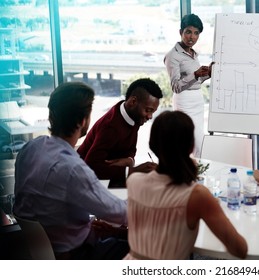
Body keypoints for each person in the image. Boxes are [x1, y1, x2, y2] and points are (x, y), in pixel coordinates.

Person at [13, 82, 129, 259]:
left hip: (44, 251)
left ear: (52, 116)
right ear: (83, 121)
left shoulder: (30, 149)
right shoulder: (73, 168)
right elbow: (120, 213)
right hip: (76, 255)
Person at [123, 110, 247, 260]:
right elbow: (240, 249)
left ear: (152, 145)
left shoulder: (134, 181)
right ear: (191, 147)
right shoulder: (197, 195)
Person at [77, 78, 162, 188]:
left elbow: (131, 149)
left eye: (152, 112)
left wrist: (129, 160)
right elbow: (92, 166)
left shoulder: (132, 114)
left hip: (109, 177)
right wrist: (132, 171)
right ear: (133, 102)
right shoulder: (110, 127)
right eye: (148, 110)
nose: (150, 117)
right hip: (85, 180)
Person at [164, 13, 214, 158]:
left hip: (197, 100)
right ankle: (192, 174)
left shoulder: (193, 53)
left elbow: (196, 81)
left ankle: (197, 173)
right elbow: (176, 86)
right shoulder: (172, 56)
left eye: (196, 33)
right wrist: (195, 74)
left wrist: (208, 73)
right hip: (184, 102)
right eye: (188, 32)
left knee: (200, 141)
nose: (192, 37)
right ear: (181, 32)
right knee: (192, 142)